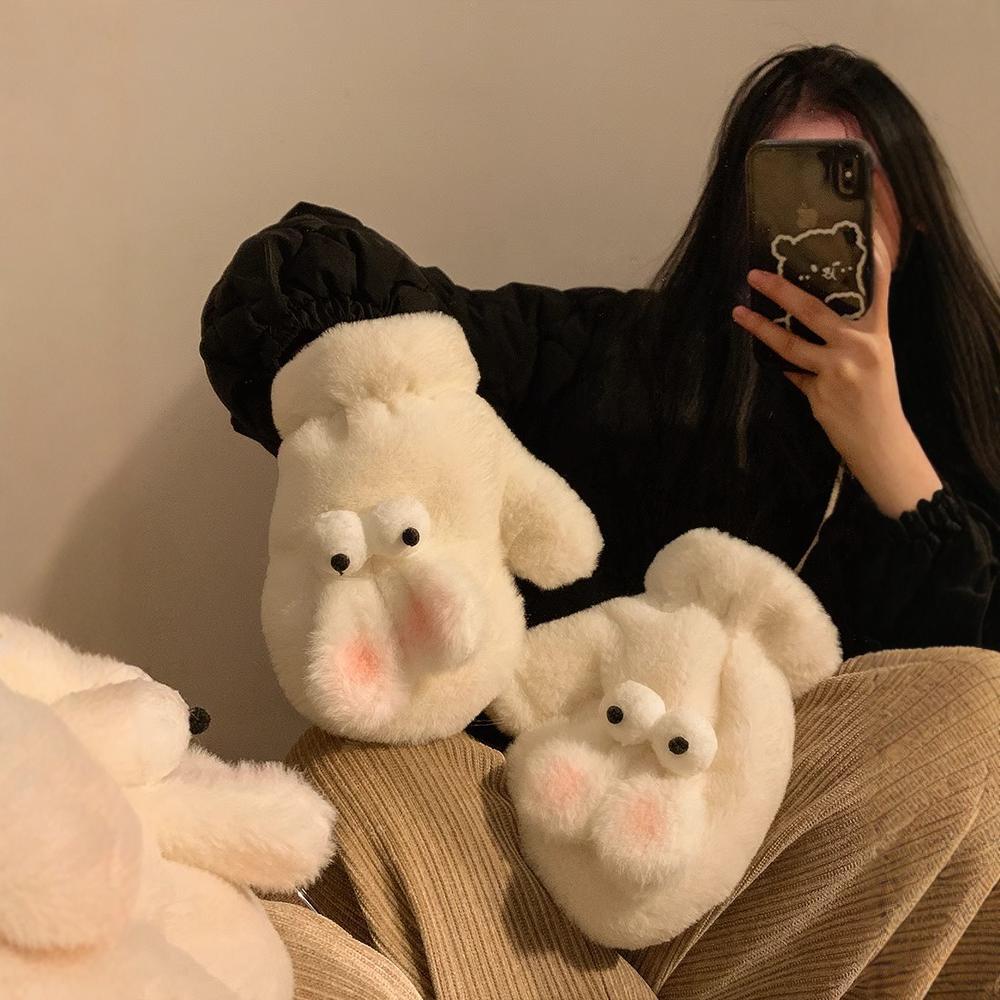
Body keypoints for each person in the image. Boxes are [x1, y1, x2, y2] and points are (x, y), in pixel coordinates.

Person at [202, 44, 1000, 999]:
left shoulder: (978, 407)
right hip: (545, 859)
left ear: (912, 211)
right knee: (352, 773)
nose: (811, 225)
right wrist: (370, 400)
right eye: (781, 185)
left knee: (978, 711)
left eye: (845, 183)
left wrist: (893, 456)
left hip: (809, 872)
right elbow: (351, 311)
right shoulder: (607, 353)